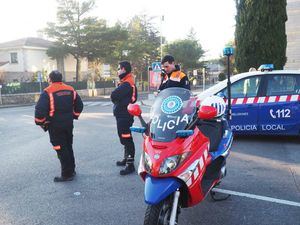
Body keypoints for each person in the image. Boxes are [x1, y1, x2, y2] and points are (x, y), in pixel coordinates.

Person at [34, 70, 83, 182]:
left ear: (50, 80)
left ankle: (66, 174)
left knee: (60, 148)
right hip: (68, 124)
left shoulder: (48, 91)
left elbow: (39, 111)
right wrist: (74, 116)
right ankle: (72, 170)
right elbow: (79, 105)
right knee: (68, 146)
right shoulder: (70, 89)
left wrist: (41, 122)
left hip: (55, 125)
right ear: (61, 79)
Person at [111, 61, 137, 175]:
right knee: (124, 138)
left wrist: (117, 100)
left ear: (124, 69)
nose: (117, 71)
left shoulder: (127, 83)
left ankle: (130, 165)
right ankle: (126, 159)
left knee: (127, 139)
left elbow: (114, 95)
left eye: (118, 68)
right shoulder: (126, 81)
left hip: (124, 115)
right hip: (123, 114)